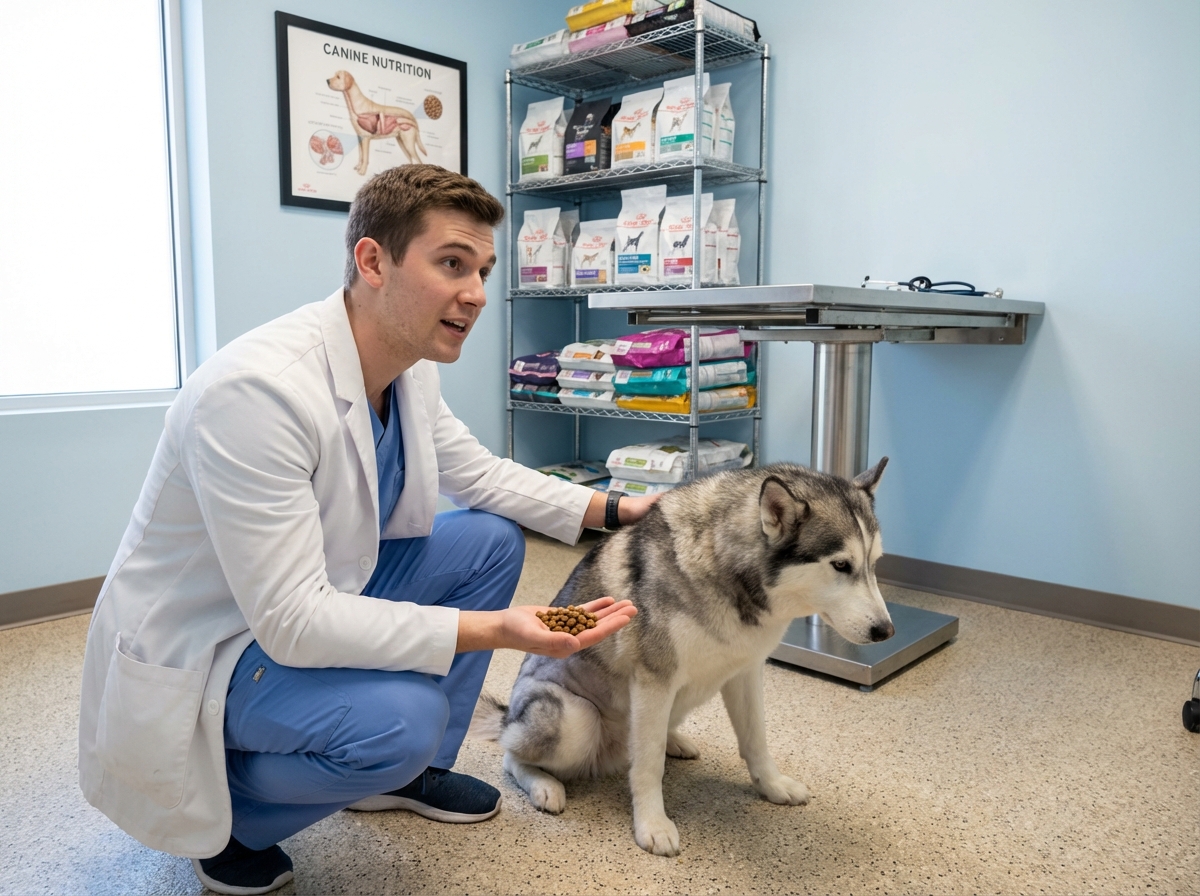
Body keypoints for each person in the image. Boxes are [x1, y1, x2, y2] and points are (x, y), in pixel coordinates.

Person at [77, 165, 653, 895]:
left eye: (482, 270)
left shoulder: (407, 366)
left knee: (489, 540)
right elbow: (292, 621)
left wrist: (618, 510)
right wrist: (501, 630)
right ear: (374, 261)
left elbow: (478, 473)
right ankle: (230, 819)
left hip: (309, 594)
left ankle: (408, 776)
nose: (477, 293)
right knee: (401, 721)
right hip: (216, 639)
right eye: (452, 264)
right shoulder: (256, 393)